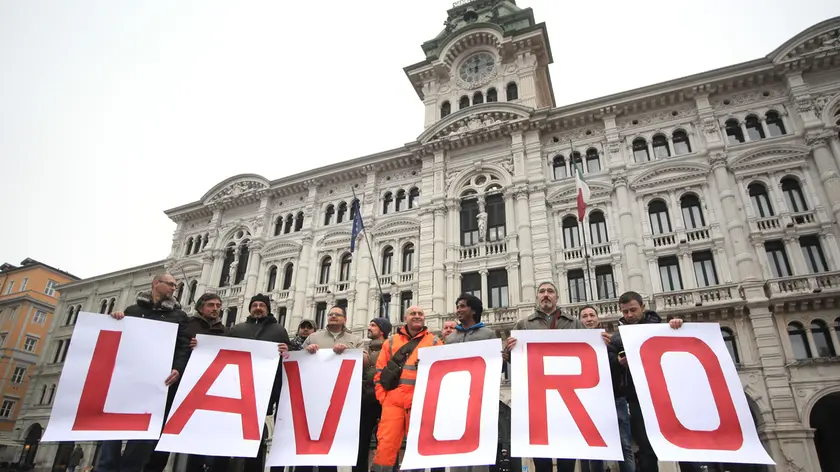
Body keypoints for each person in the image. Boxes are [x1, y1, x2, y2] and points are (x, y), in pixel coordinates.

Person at [99, 273, 192, 472]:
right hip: (126, 382)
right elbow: (117, 340)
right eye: (171, 284)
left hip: (156, 384)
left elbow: (183, 347)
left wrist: (178, 368)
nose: (174, 288)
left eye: (175, 285)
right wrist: (116, 320)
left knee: (142, 441)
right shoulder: (132, 311)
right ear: (156, 283)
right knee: (111, 434)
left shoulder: (179, 316)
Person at [608, 291, 695, 472]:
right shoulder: (617, 338)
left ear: (643, 307)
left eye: (633, 310)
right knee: (646, 449)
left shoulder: (664, 327)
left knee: (683, 444)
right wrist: (618, 362)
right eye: (625, 312)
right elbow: (610, 365)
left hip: (668, 396)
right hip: (638, 399)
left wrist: (678, 325)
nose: (629, 315)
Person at [503, 281, 583, 472]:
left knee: (567, 455)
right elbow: (519, 360)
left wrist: (601, 342)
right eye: (542, 291)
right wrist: (509, 351)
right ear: (537, 296)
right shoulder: (523, 325)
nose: (546, 295)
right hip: (538, 397)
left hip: (567, 395)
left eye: (550, 291)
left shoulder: (574, 323)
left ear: (557, 296)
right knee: (541, 457)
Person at [371, 306, 440, 472]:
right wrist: (384, 399)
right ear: (405, 318)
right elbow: (379, 373)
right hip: (393, 403)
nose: (417, 316)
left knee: (417, 446)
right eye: (413, 314)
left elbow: (440, 373)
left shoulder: (435, 342)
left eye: (420, 314)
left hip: (419, 403)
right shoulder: (391, 342)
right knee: (385, 445)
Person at [227, 294, 291, 472]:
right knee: (234, 433)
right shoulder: (237, 329)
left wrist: (287, 351)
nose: (258, 308)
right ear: (250, 308)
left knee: (256, 434)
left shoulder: (278, 331)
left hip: (264, 391)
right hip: (237, 388)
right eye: (254, 305)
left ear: (267, 309)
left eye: (262, 305)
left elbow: (287, 359)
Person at [302, 305, 366, 472]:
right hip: (316, 398)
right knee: (313, 439)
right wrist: (306, 351)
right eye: (330, 314)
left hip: (343, 399)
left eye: (337, 315)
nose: (333, 317)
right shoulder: (313, 338)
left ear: (345, 319)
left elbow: (366, 361)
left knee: (337, 441)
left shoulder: (355, 339)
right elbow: (298, 361)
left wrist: (348, 351)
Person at [578, 306, 634, 472]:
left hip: (616, 398)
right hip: (590, 401)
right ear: (580, 322)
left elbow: (622, 361)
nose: (589, 319)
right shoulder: (574, 344)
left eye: (592, 315)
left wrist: (614, 351)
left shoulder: (613, 341)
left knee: (624, 445)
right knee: (595, 449)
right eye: (585, 316)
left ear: (598, 319)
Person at [183, 293, 230, 472]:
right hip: (189, 389)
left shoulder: (225, 331)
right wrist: (191, 346)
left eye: (218, 305)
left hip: (215, 391)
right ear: (201, 307)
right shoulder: (187, 325)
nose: (215, 308)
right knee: (192, 438)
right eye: (211, 305)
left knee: (212, 436)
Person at [355, 317, 392, 472]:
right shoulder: (363, 349)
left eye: (373, 325)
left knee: (386, 443)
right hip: (364, 402)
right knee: (360, 443)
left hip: (384, 402)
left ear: (382, 330)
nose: (368, 327)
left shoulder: (391, 349)